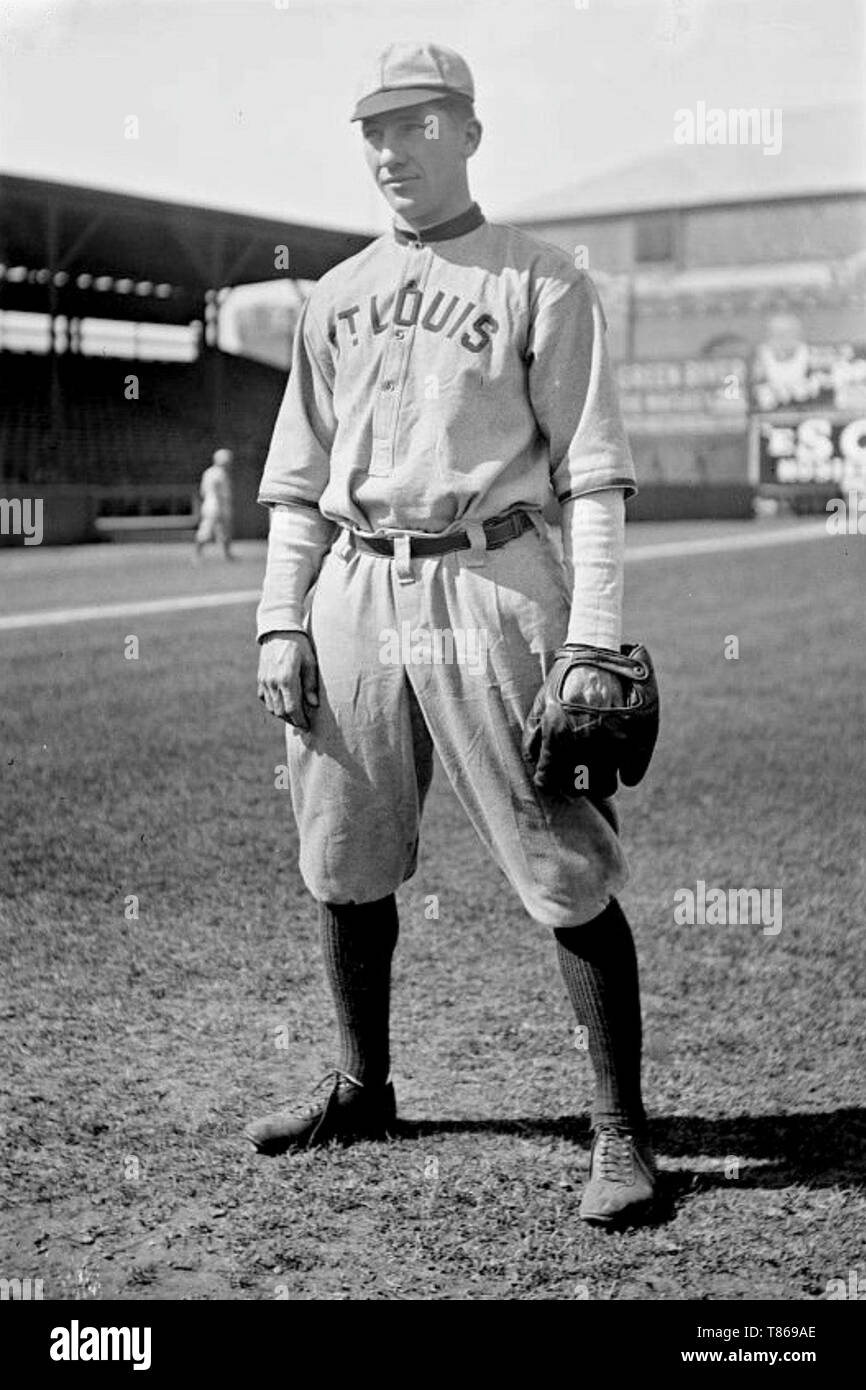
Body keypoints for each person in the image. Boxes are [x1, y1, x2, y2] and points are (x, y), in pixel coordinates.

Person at [248, 42, 655, 1225]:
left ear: (468, 133)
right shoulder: (330, 295)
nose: (390, 150)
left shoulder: (542, 278)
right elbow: (295, 479)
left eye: (416, 126)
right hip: (357, 581)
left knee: (559, 857)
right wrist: (282, 619)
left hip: (493, 575)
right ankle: (362, 1085)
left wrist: (592, 636)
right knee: (341, 850)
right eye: (373, 129)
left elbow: (592, 472)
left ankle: (620, 1129)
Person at [193, 447, 234, 561]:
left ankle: (226, 555)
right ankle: (197, 554)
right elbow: (217, 490)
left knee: (222, 531)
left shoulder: (209, 472)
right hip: (216, 504)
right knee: (208, 530)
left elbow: (202, 491)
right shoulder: (219, 473)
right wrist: (222, 506)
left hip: (209, 503)